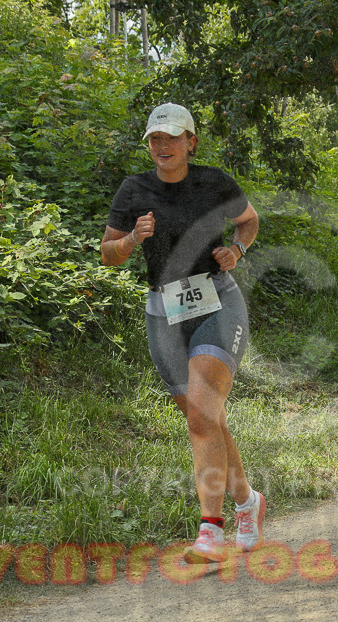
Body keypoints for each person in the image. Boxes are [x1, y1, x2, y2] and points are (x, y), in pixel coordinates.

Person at [100, 103, 264, 563]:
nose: (163, 146)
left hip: (215, 300)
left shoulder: (214, 182)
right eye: (156, 138)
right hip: (163, 309)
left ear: (191, 141)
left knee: (201, 414)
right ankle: (247, 502)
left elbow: (248, 220)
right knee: (205, 418)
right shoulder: (134, 190)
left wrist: (236, 248)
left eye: (172, 137)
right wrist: (133, 239)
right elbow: (107, 253)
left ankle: (209, 531)